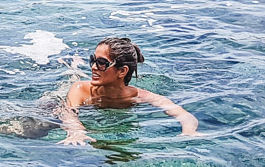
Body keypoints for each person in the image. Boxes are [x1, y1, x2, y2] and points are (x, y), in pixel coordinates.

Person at [60, 36, 198, 145]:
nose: (94, 67)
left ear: (122, 71)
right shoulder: (80, 89)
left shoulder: (140, 96)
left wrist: (189, 131)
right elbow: (68, 113)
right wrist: (76, 131)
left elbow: (184, 115)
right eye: (93, 60)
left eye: (101, 63)